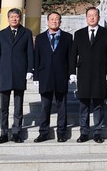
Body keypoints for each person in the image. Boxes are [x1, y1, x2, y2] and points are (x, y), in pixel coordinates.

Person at [69, 7, 107, 143]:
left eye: (94, 15)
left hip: (100, 74)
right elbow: (73, 55)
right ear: (86, 18)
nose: (92, 18)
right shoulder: (79, 34)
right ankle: (84, 132)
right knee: (83, 105)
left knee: (98, 104)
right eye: (89, 15)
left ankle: (97, 132)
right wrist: (72, 72)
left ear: (99, 17)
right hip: (84, 74)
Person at [0, 8, 34, 144]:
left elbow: (30, 53)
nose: (14, 19)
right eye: (12, 17)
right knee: (4, 107)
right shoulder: (2, 34)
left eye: (16, 17)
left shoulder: (26, 33)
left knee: (18, 106)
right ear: (8, 18)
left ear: (20, 18)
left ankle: (16, 132)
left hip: (19, 73)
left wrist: (30, 70)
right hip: (4, 73)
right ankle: (4, 133)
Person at [32, 11, 73, 143]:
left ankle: (62, 132)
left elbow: (70, 57)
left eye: (57, 19)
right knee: (45, 106)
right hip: (45, 75)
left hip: (61, 75)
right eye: (52, 19)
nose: (54, 21)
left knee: (62, 106)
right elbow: (36, 58)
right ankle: (43, 132)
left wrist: (71, 73)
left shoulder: (67, 37)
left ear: (60, 22)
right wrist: (36, 77)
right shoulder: (40, 38)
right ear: (47, 21)